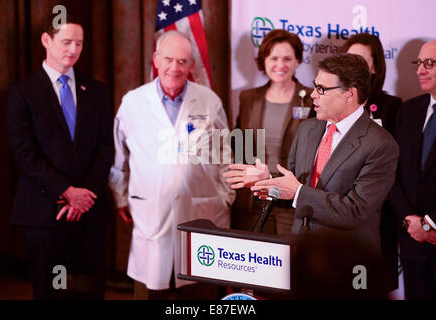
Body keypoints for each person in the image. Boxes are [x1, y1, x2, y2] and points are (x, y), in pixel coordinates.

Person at [225, 53, 399, 256]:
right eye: (315, 86)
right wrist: (268, 181)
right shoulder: (307, 129)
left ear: (349, 94)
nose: (313, 95)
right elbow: (293, 188)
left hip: (347, 259)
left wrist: (298, 192)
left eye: (321, 89)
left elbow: (355, 211)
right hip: (301, 251)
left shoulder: (380, 145)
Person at [108, 31, 235, 300]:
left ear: (191, 65)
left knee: (200, 293)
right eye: (168, 59)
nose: (174, 68)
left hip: (202, 211)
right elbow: (119, 156)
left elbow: (224, 154)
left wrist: (225, 198)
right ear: (155, 59)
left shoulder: (209, 100)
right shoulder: (133, 102)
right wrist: (120, 196)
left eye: (182, 61)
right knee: (151, 288)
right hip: (151, 215)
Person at [6, 16, 114, 299]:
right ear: (46, 40)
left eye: (79, 43)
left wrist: (85, 195)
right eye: (66, 42)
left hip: (90, 213)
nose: (74, 49)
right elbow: (24, 153)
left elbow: (106, 148)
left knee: (90, 293)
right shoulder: (22, 92)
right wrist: (67, 192)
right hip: (44, 214)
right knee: (52, 294)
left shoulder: (98, 92)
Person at [232, 29, 314, 235]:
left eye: (287, 58)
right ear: (263, 61)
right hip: (250, 202)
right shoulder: (248, 98)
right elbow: (241, 148)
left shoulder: (313, 100)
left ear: (297, 61)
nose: (280, 65)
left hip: (289, 204)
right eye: (273, 58)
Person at [341, 32, 402, 292]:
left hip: (378, 215)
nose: (356, 68)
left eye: (363, 61)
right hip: (336, 211)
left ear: (375, 66)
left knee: (369, 287)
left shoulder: (393, 106)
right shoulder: (331, 102)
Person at [389, 40, 436, 300]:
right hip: (412, 241)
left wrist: (429, 224)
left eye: (429, 63)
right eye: (418, 63)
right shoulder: (407, 110)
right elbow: (393, 173)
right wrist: (410, 220)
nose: (420, 70)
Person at [341, 33, 402, 134]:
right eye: (349, 58)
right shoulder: (325, 99)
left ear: (375, 67)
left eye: (361, 60)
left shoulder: (392, 106)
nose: (352, 66)